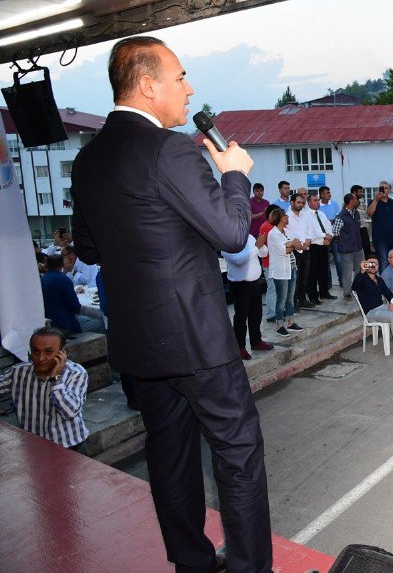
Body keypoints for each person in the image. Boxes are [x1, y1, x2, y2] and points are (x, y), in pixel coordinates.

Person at [70, 36, 272, 571]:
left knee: (170, 457)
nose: (190, 88)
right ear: (147, 85)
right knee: (238, 454)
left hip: (139, 342)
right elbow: (232, 234)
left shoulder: (87, 161)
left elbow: (90, 248)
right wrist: (233, 174)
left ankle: (192, 562)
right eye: (180, 77)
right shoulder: (173, 149)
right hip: (198, 338)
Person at [0, 327, 89, 451]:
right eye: (36, 352)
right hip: (33, 446)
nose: (41, 358)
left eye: (48, 352)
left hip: (69, 446)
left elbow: (69, 412)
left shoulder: (76, 373)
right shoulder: (18, 372)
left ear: (62, 353)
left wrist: (55, 379)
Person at [222, 232, 274, 360]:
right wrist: (256, 247)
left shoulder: (249, 237)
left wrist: (261, 246)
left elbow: (264, 254)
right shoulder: (226, 242)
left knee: (256, 314)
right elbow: (238, 260)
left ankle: (256, 341)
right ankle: (240, 347)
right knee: (241, 316)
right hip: (240, 284)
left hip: (255, 282)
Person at [353, 258, 393, 358]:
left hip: (383, 307)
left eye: (376, 264)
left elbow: (389, 294)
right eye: (370, 264)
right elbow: (354, 287)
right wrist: (361, 272)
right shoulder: (363, 279)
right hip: (372, 312)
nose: (373, 266)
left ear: (379, 266)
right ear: (366, 265)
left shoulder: (379, 279)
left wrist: (392, 302)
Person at [40, 254, 105, 334]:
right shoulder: (63, 279)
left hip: (50, 318)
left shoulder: (43, 279)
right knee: (102, 322)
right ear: (62, 264)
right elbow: (76, 307)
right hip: (63, 324)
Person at [267, 208, 302, 337]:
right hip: (280, 270)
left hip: (291, 268)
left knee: (290, 298)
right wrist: (292, 244)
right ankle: (279, 325)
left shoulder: (286, 231)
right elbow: (284, 250)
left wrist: (291, 244)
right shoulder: (273, 234)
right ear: (280, 218)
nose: (287, 218)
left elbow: (297, 245)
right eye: (285, 216)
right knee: (281, 299)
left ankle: (291, 323)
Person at [286, 193, 318, 309]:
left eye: (302, 203)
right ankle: (293, 303)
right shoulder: (287, 217)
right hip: (294, 250)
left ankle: (302, 299)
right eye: (298, 202)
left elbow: (311, 230)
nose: (301, 204)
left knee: (305, 276)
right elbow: (287, 233)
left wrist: (308, 241)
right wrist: (298, 244)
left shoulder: (306, 215)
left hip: (306, 249)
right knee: (295, 277)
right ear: (292, 202)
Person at [331, 193, 365, 300]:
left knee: (361, 270)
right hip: (346, 250)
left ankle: (357, 289)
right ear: (351, 201)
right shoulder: (341, 216)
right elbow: (335, 233)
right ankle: (347, 293)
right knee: (347, 272)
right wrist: (344, 242)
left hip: (358, 247)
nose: (358, 201)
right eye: (355, 199)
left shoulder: (356, 214)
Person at [306, 193, 337, 301]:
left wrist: (329, 237)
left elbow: (329, 227)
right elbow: (312, 232)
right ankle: (313, 296)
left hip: (325, 245)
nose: (317, 202)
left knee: (324, 271)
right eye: (314, 200)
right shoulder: (306, 215)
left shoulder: (321, 214)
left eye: (317, 200)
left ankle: (324, 292)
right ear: (308, 203)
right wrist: (325, 236)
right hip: (314, 246)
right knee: (313, 272)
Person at [368, 181, 393, 268]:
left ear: (389, 190)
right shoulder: (373, 202)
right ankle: (384, 281)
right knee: (384, 262)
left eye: (386, 188)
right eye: (382, 188)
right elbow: (369, 213)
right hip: (380, 239)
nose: (384, 190)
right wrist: (376, 200)